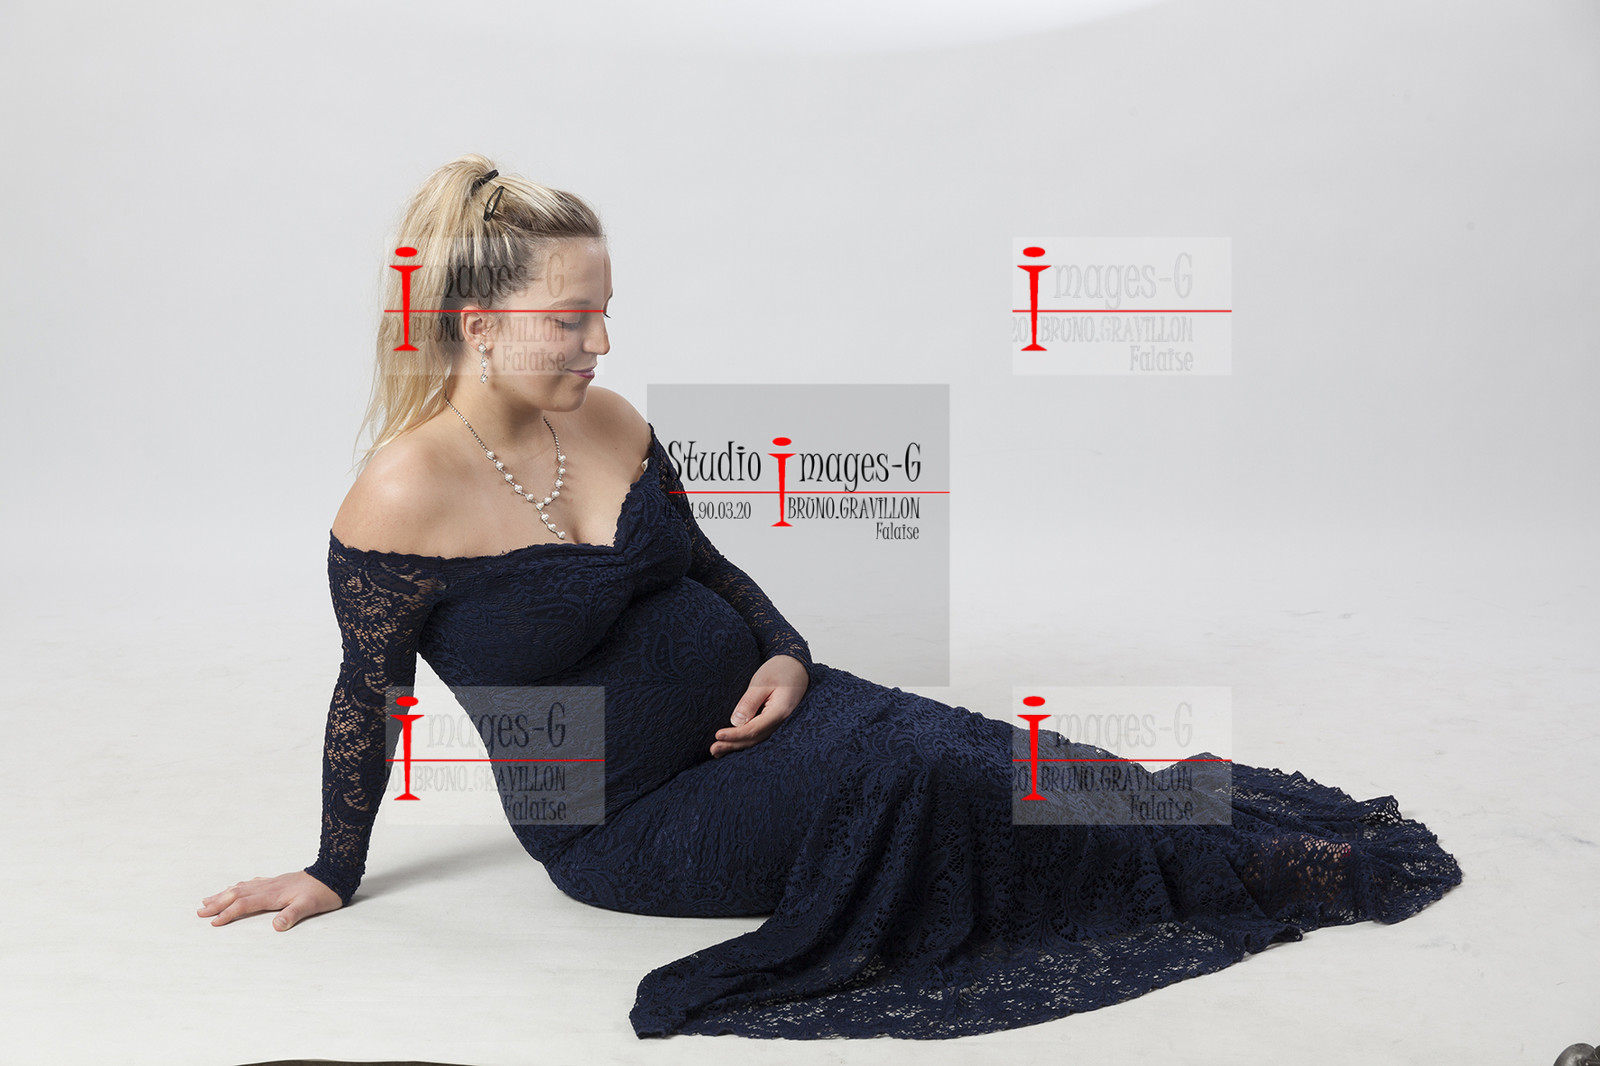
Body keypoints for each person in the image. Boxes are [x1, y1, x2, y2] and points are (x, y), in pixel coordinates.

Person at [199, 154, 1464, 1040]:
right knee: (936, 785)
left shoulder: (610, 419)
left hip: (786, 714)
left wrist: (787, 654)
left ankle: (1233, 835)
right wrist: (332, 868)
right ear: (479, 325)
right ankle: (1275, 873)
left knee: (1003, 756)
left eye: (605, 315)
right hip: (629, 817)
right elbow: (367, 695)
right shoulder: (402, 491)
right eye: (571, 321)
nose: (600, 344)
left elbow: (710, 570)